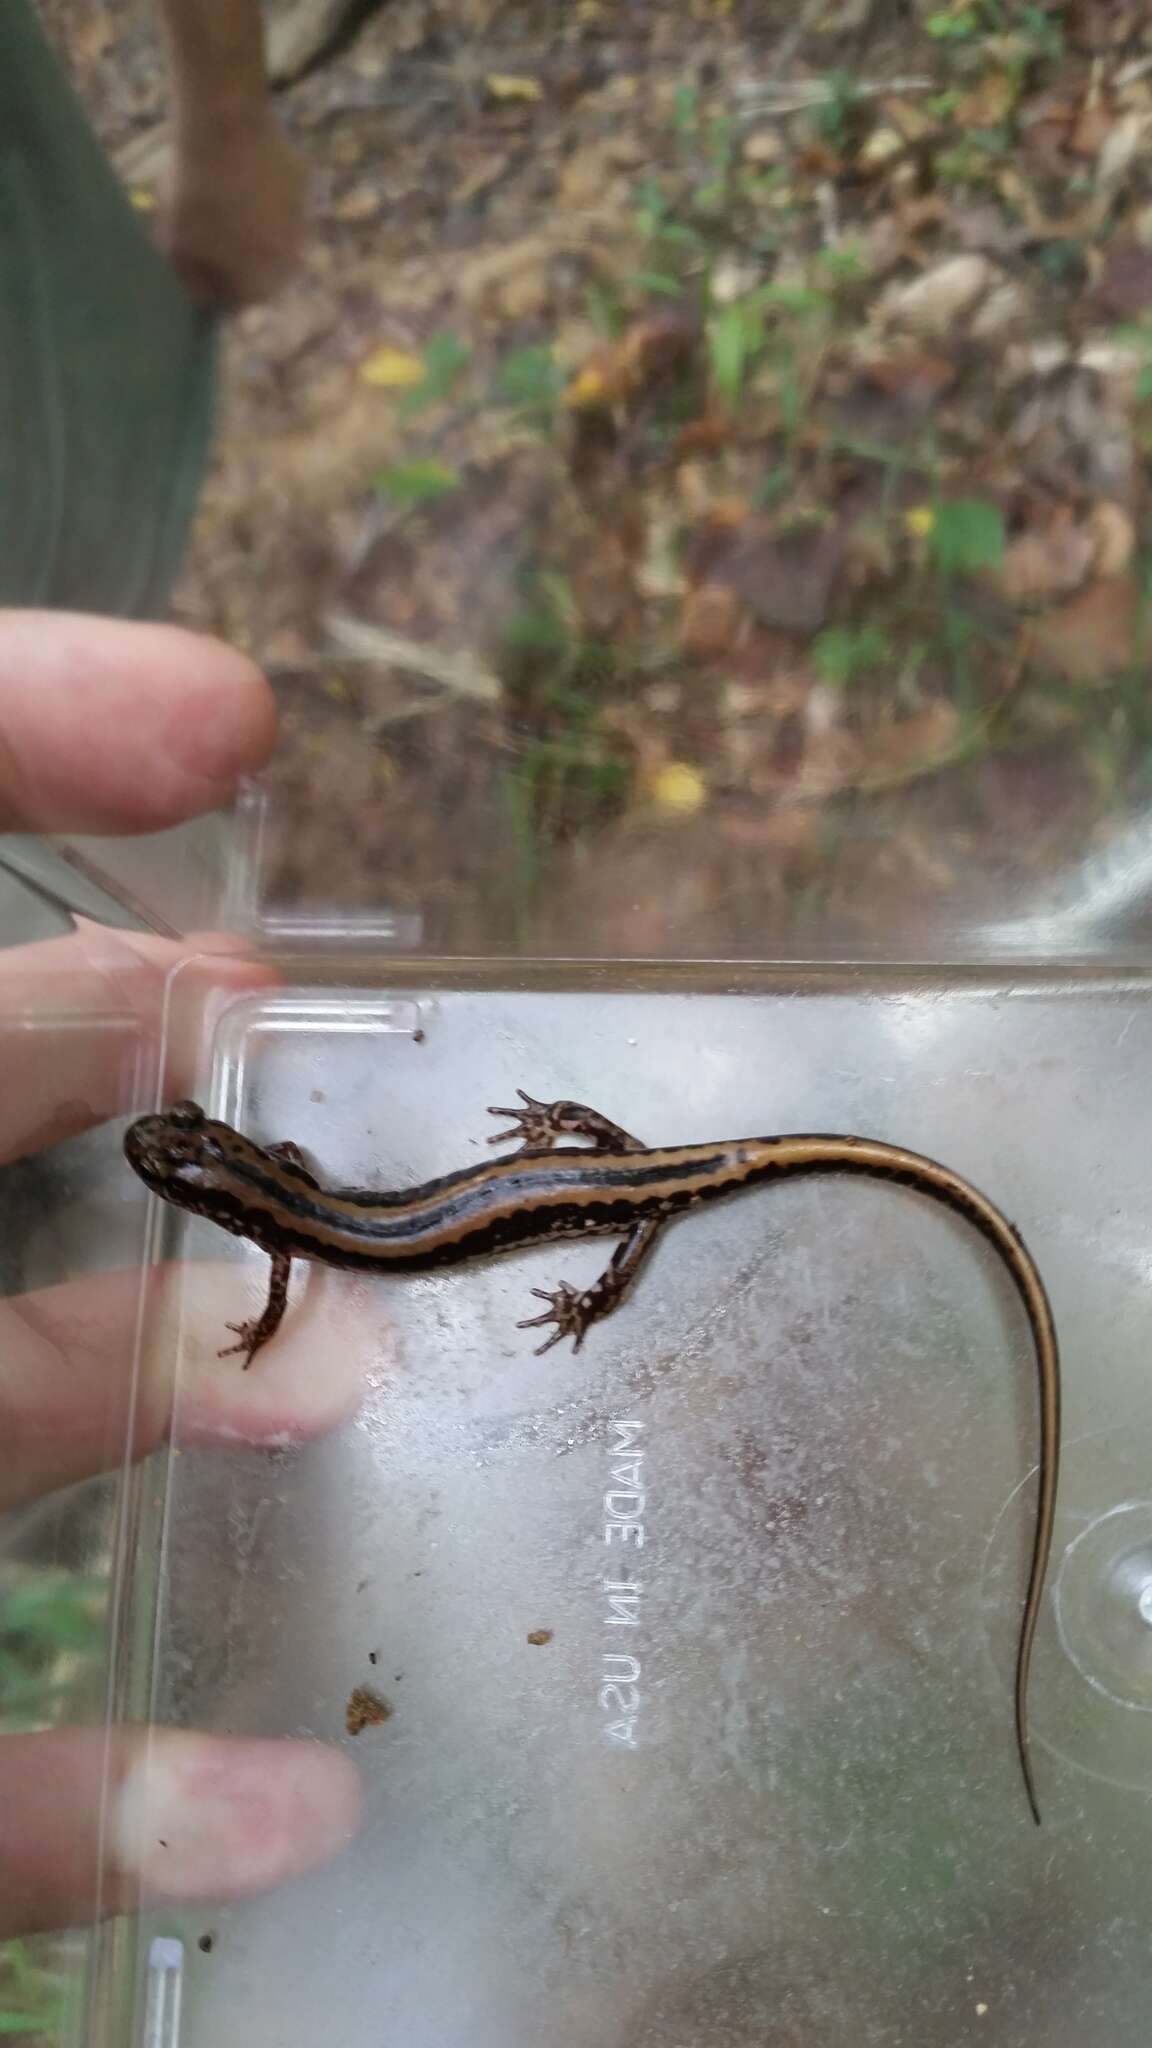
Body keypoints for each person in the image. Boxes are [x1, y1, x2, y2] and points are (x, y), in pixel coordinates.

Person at [0, 610, 362, 1936]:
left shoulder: (287, 1233)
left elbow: (281, 1270)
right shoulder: (295, 1210)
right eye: (174, 1160)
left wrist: (268, 1332)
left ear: (216, 1168)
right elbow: (299, 1192)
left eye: (180, 1157)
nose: (163, 1152)